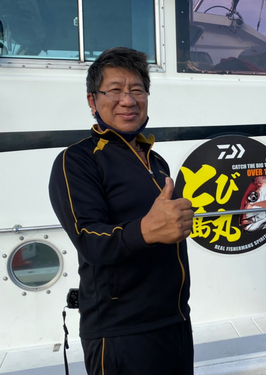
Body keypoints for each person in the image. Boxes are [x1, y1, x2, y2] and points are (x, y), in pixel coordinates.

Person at [49, 47, 194, 375]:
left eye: (137, 90)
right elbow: (89, 240)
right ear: (92, 100)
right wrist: (146, 229)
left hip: (175, 323)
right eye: (114, 90)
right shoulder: (77, 160)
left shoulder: (157, 163)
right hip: (120, 335)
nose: (127, 100)